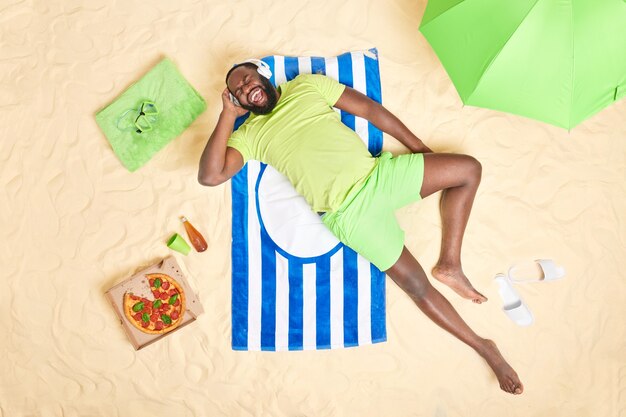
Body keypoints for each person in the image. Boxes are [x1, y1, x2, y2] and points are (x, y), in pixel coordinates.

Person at [198, 59, 523, 395]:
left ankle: (450, 264)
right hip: (348, 215)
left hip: (379, 177)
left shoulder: (307, 85)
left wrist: (419, 149)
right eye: (237, 90)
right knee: (415, 286)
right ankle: (485, 348)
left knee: (469, 169)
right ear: (236, 100)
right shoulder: (250, 135)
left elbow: (371, 111)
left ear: (263, 76)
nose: (245, 88)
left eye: (248, 79)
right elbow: (210, 176)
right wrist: (227, 115)